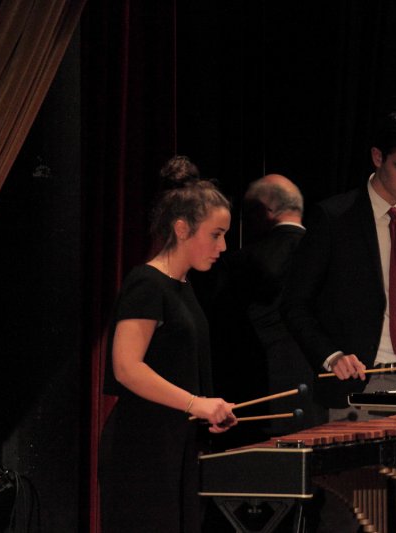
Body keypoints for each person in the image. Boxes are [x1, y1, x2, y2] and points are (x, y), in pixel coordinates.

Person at [281, 109, 396, 415]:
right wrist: (332, 355)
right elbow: (295, 305)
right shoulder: (333, 218)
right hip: (358, 384)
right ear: (378, 157)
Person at [99, 156, 238, 533]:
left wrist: (210, 408)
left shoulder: (183, 287)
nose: (223, 246)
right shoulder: (146, 282)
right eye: (215, 234)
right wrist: (196, 403)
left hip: (175, 444)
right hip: (141, 447)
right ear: (181, 228)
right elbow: (126, 368)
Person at [219, 174, 326, 436]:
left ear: (265, 211)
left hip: (258, 395)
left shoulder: (242, 262)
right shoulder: (328, 256)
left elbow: (225, 332)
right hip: (323, 393)